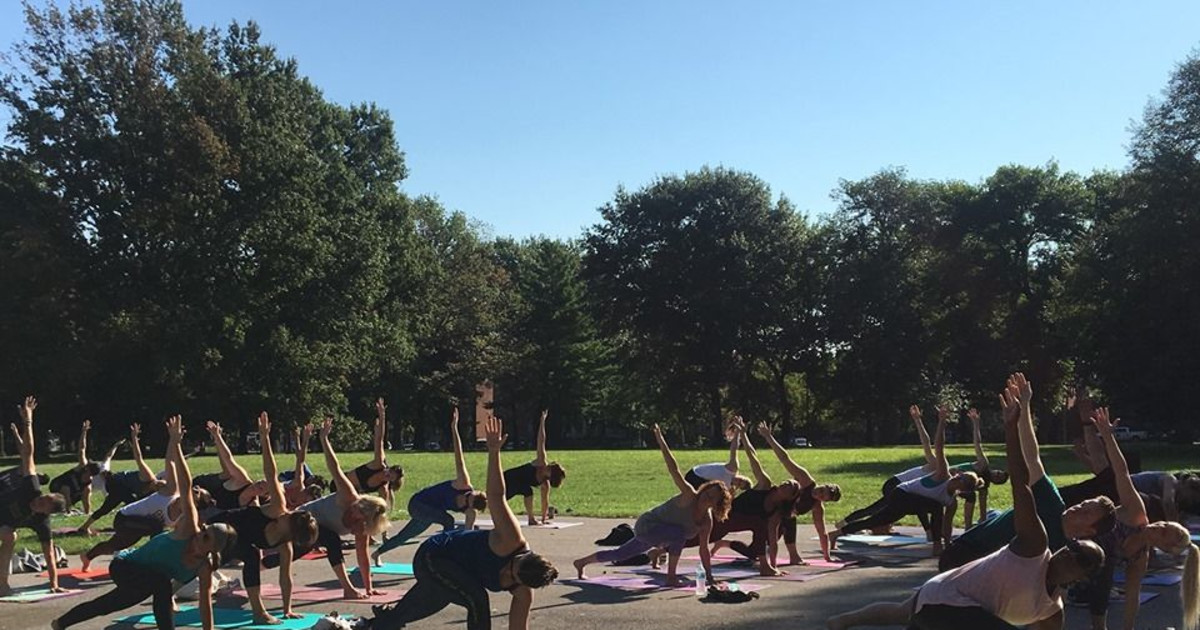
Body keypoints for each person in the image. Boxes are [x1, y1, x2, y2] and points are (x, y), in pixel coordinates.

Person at [827, 378, 1106, 630]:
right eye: (1071, 551)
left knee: (908, 611)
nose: (1079, 506)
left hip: (961, 593)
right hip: (964, 563)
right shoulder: (1039, 538)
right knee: (928, 610)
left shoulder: (1051, 609)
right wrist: (1017, 422)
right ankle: (846, 620)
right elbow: (1026, 473)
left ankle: (842, 622)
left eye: (1088, 510)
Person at [369, 416, 558, 630]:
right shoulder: (511, 538)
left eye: (511, 578)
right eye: (510, 569)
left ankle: (380, 623)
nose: (504, 575)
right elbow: (496, 496)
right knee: (476, 598)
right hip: (432, 556)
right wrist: (494, 452)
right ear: (522, 557)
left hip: (455, 572)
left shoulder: (523, 592)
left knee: (433, 600)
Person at [53, 414, 237, 630]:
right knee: (161, 585)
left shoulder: (204, 567)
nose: (200, 532)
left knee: (108, 605)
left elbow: (205, 604)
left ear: (213, 549)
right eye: (204, 529)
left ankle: (60, 623)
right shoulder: (189, 528)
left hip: (145, 579)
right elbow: (186, 487)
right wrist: (175, 444)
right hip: (124, 566)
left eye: (206, 536)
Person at [939, 374, 1119, 572]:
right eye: (1083, 504)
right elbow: (1031, 458)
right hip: (965, 554)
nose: (1078, 508)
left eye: (1086, 513)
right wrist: (1024, 409)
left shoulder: (1061, 553)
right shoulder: (1051, 503)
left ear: (1089, 531)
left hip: (990, 575)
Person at [1076, 407, 1200, 630]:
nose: (1157, 525)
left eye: (1162, 532)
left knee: (1100, 588)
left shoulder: (1138, 560)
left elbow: (1132, 598)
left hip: (1083, 549)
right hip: (1072, 519)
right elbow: (1121, 473)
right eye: (1163, 524)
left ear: (1164, 547)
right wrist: (1108, 436)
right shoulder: (1137, 514)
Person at [572, 423, 732, 586]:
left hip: (660, 536)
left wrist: (709, 576)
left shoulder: (706, 521)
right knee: (679, 533)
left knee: (620, 554)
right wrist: (661, 441)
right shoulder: (690, 495)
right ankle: (671, 577)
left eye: (712, 498)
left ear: (717, 504)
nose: (707, 498)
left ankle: (581, 562)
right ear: (703, 489)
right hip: (648, 525)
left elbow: (704, 550)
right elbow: (674, 470)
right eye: (707, 493)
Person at [209, 412, 319, 624]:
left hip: (235, 543)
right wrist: (265, 437)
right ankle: (171, 590)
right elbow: (271, 472)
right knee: (245, 555)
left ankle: (259, 613)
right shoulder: (278, 506)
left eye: (291, 517)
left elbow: (285, 578)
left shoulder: (285, 544)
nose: (288, 512)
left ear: (291, 531)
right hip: (220, 524)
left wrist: (287, 609)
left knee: (250, 555)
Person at [828, 405, 979, 556]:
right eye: (960, 476)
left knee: (874, 521)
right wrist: (941, 422)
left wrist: (948, 544)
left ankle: (835, 533)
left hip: (913, 504)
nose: (958, 477)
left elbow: (947, 524)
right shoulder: (942, 474)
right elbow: (939, 446)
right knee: (936, 507)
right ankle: (935, 544)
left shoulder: (951, 502)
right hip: (900, 493)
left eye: (962, 480)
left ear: (963, 488)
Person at [80, 423, 215, 570]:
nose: (194, 488)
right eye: (196, 488)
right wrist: (173, 440)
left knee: (113, 546)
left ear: (196, 503)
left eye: (198, 492)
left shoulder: (183, 520)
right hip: (124, 518)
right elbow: (170, 461)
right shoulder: (171, 491)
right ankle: (151, 559)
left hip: (139, 527)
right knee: (156, 526)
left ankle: (87, 557)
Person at [372, 407, 487, 565]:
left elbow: (467, 535)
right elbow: (459, 456)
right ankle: (443, 554)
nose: (465, 497)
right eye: (469, 495)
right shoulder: (463, 483)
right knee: (448, 520)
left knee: (406, 535)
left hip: (429, 512)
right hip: (418, 504)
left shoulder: (470, 513)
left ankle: (377, 553)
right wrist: (454, 429)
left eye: (468, 501)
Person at [297, 416, 391, 599]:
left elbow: (362, 555)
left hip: (313, 534)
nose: (356, 519)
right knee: (331, 539)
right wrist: (324, 439)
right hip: (298, 519)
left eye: (361, 520)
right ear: (360, 504)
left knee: (284, 556)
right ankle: (347, 589)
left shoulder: (363, 525)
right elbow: (335, 468)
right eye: (359, 513)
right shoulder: (349, 495)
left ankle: (238, 579)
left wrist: (368, 588)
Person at [697, 426, 802, 576]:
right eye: (788, 481)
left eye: (791, 487)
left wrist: (774, 566)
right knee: (693, 537)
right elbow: (754, 459)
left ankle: (765, 567)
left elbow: (772, 540)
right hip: (723, 516)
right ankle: (659, 550)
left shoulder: (776, 512)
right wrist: (743, 435)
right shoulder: (765, 484)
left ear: (790, 497)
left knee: (760, 526)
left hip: (732, 523)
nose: (787, 482)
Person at [0, 396, 68, 596]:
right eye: (41, 498)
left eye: (42, 504)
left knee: (10, 536)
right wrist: (27, 421)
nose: (37, 501)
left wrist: (53, 583)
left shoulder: (42, 523)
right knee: (9, 534)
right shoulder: (32, 487)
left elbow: (49, 553)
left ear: (47, 512)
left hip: (4, 524)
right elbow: (28, 454)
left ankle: (2, 584)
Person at [756, 422, 842, 563]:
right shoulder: (806, 480)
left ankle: (790, 556)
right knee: (785, 520)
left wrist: (827, 557)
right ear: (822, 485)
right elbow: (785, 459)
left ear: (824, 501)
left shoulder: (817, 507)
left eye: (821, 496)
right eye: (820, 490)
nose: (817, 494)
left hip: (782, 518)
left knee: (788, 519)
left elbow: (822, 533)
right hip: (768, 507)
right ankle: (791, 556)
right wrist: (769, 437)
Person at [76, 422, 161, 535]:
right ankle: (85, 527)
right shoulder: (148, 476)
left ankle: (128, 525)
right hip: (115, 483)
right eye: (156, 486)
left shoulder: (152, 493)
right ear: (154, 483)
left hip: (124, 488)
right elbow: (138, 458)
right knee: (113, 505)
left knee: (134, 504)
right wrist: (134, 438)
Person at [503, 409, 567, 526]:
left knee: (528, 490)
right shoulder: (541, 462)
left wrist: (543, 518)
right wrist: (542, 422)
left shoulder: (545, 484)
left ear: (551, 475)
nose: (548, 467)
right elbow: (541, 442)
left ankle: (531, 519)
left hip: (519, 486)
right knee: (491, 500)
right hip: (507, 479)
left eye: (551, 469)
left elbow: (544, 500)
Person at [192, 421, 269, 510]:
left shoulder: (252, 505)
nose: (256, 486)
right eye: (258, 483)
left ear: (263, 495)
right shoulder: (242, 479)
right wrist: (217, 437)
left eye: (260, 489)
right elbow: (228, 460)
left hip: (210, 510)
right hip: (201, 487)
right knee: (227, 473)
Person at [342, 399, 403, 508]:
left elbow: (382, 507)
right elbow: (379, 440)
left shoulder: (382, 487)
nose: (386, 476)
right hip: (339, 483)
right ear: (388, 469)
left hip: (351, 496)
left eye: (389, 479)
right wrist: (382, 415)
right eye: (388, 473)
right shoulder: (378, 464)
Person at [48, 420, 103, 511]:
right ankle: (67, 510)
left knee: (81, 493)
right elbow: (82, 449)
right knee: (66, 489)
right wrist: (84, 432)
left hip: (72, 495)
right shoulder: (82, 466)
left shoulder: (87, 485)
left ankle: (66, 509)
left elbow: (86, 500)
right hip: (57, 485)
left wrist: (87, 513)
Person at [282, 424, 323, 509]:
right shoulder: (299, 483)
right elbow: (300, 460)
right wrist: (304, 439)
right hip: (284, 479)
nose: (304, 502)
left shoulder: (303, 507)